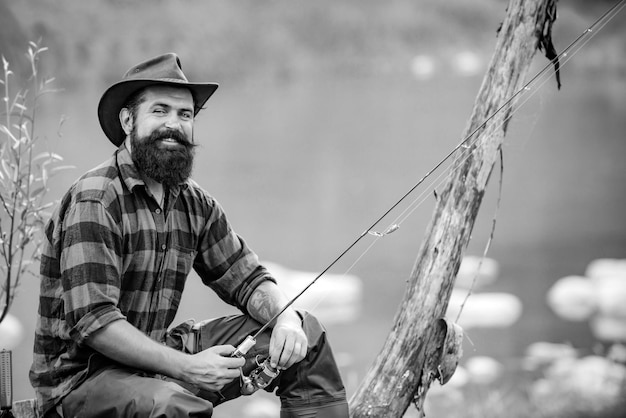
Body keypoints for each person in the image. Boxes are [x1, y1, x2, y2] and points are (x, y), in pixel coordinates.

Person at [29, 53, 349, 418]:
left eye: (185, 115)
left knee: (305, 337)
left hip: (156, 363)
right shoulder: (96, 198)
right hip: (80, 385)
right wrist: (187, 367)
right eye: (160, 111)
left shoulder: (194, 202)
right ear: (128, 119)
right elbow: (96, 324)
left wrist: (286, 319)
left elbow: (248, 279)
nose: (174, 125)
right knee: (176, 406)